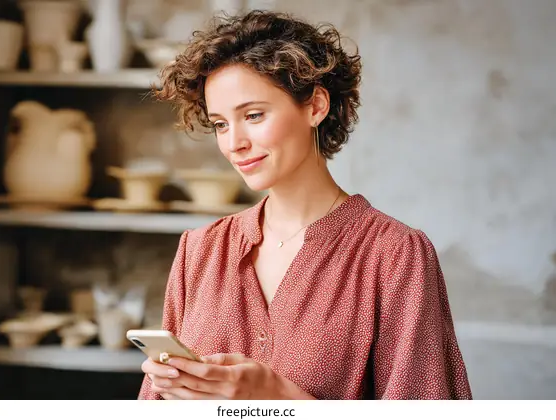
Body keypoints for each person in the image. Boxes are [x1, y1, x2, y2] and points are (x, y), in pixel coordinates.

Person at [138, 10, 472, 400]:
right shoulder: (200, 250)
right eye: (221, 124)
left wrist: (277, 398)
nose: (234, 143)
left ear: (315, 106)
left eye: (254, 115)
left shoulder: (395, 255)